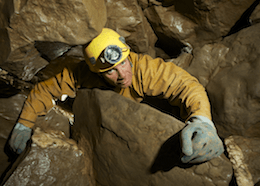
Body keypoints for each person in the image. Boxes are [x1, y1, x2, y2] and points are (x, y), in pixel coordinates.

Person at [9, 28, 224, 163]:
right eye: (111, 71)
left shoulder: (144, 69)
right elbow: (45, 89)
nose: (123, 74)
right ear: (96, 71)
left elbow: (186, 85)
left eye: (123, 62)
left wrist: (203, 120)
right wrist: (24, 122)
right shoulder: (81, 72)